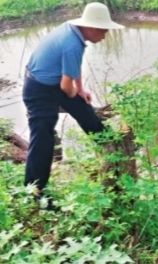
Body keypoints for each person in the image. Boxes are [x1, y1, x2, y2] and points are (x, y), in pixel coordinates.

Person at [22, 2, 124, 203]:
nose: (104, 37)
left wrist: (81, 90)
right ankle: (34, 191)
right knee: (43, 138)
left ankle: (114, 151)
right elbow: (65, 87)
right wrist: (74, 93)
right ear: (92, 28)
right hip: (38, 90)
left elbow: (72, 69)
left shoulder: (74, 31)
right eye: (103, 32)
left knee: (85, 110)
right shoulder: (71, 43)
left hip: (54, 80)